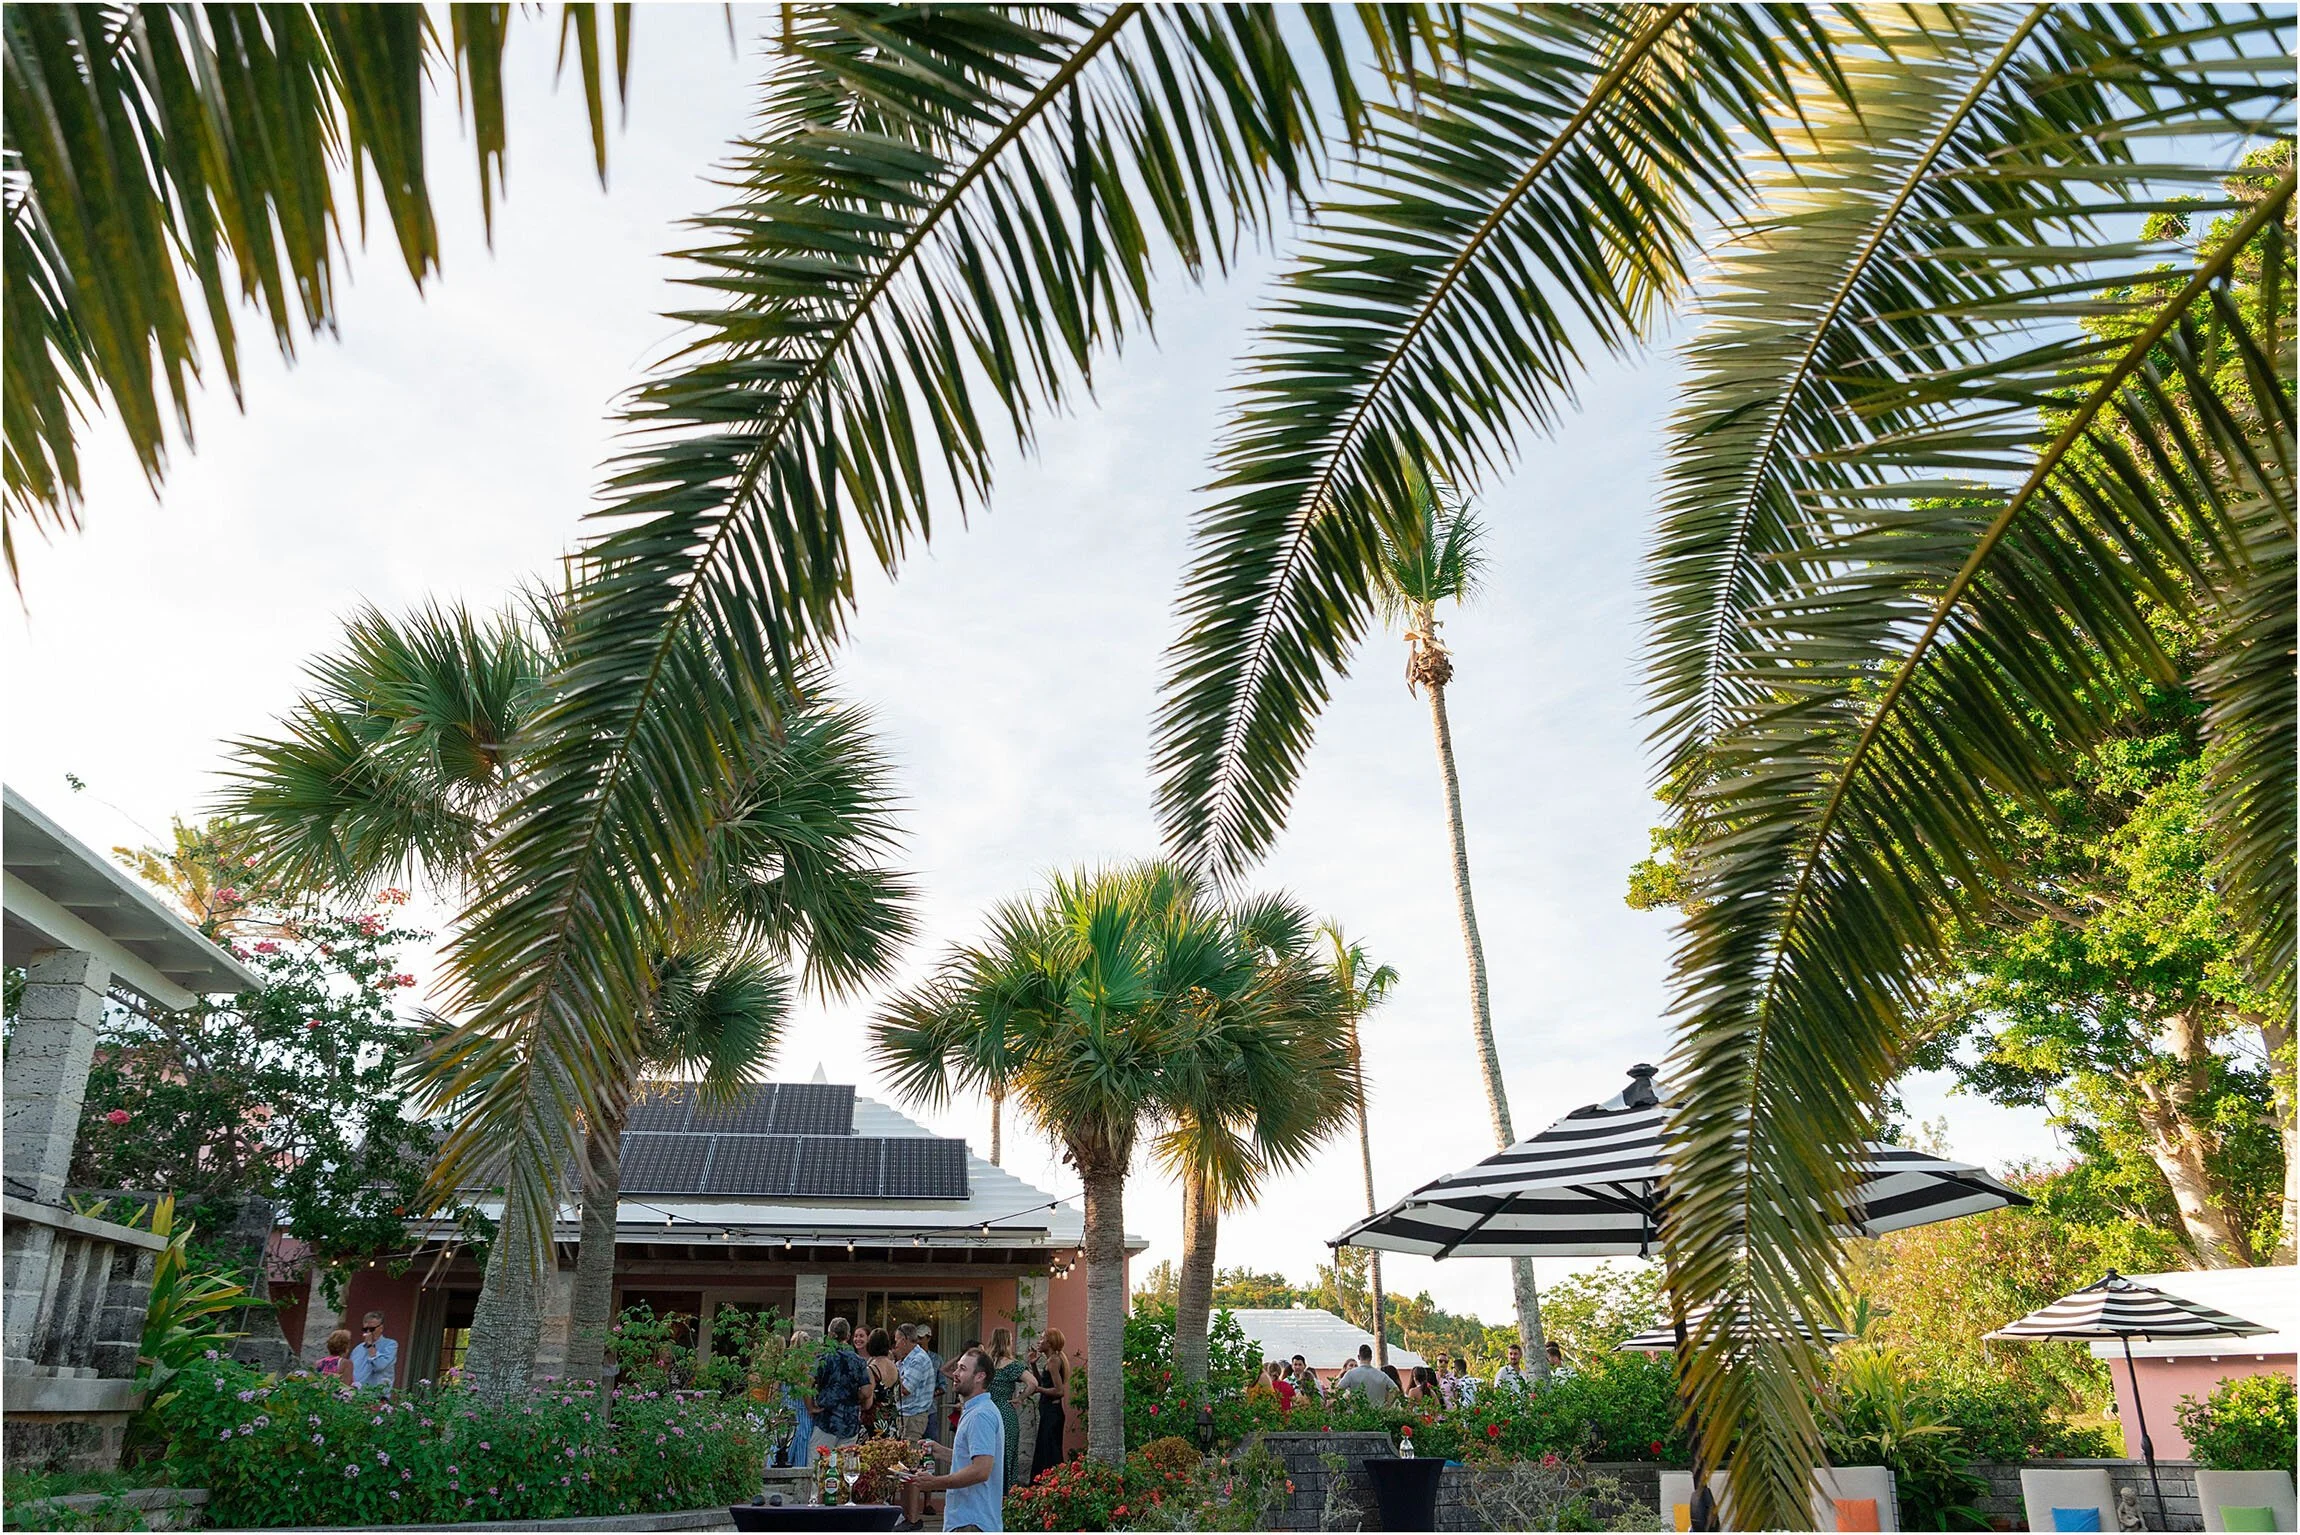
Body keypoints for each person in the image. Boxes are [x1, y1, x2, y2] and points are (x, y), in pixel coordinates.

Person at [899, 1346, 1004, 1532]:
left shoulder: (981, 1415)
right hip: (969, 1520)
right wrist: (941, 1451)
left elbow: (981, 1470)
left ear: (980, 1376)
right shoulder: (976, 1409)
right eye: (957, 1367)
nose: (955, 1373)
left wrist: (936, 1482)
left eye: (962, 1369)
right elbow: (974, 1459)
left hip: (971, 1522)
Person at [809, 1316, 874, 1457]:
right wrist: (854, 1399)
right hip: (849, 1421)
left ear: (830, 1334)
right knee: (845, 1469)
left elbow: (807, 1383)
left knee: (818, 1466)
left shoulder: (822, 1358)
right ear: (848, 1336)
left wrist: (811, 1407)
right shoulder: (858, 1361)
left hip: (826, 1419)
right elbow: (866, 1390)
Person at [986, 1329, 1027, 1489]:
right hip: (1005, 1410)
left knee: (988, 1452)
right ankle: (1006, 1492)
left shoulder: (985, 1363)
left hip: (987, 1409)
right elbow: (1033, 1383)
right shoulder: (1013, 1365)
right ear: (1008, 1342)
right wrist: (1020, 1398)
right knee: (1007, 1453)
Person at [1029, 1328, 1069, 1471]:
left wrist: (1038, 1390)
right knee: (1045, 1450)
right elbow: (1043, 1383)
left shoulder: (1053, 1361)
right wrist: (1033, 1364)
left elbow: (1059, 1391)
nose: (1039, 1342)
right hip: (1048, 1411)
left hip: (1053, 1412)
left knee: (1050, 1452)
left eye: (1042, 1339)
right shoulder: (1051, 1361)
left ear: (1050, 1342)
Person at [895, 1324, 939, 1441]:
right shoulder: (907, 1359)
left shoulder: (918, 1359)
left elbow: (905, 1389)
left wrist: (891, 1374)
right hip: (907, 1415)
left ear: (904, 1341)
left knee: (909, 1456)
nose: (896, 1345)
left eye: (897, 1341)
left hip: (913, 1417)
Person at [784, 1328, 817, 1467]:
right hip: (802, 1415)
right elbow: (806, 1393)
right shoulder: (806, 1370)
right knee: (801, 1453)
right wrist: (812, 1408)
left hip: (786, 1414)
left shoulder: (784, 1367)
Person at [866, 1327, 902, 1437]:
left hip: (876, 1421)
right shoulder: (895, 1367)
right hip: (893, 1420)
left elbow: (868, 1402)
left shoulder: (871, 1369)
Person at [350, 1311, 397, 1391]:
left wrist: (370, 1346)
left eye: (372, 1329)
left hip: (376, 1397)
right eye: (365, 1329)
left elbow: (379, 1366)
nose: (368, 1332)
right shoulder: (358, 1349)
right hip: (356, 1396)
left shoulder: (390, 1345)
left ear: (381, 1328)